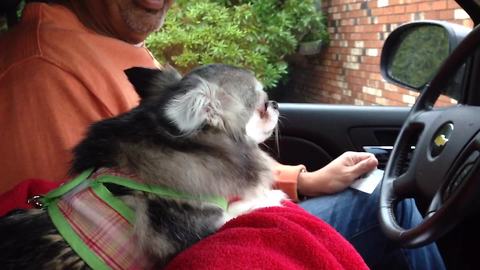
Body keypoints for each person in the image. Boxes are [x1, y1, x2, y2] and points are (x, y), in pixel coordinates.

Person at [0, 1, 445, 269]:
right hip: (198, 244)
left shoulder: (108, 41)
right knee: (392, 202)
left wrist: (301, 181)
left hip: (209, 217)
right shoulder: (41, 69)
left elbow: (192, 168)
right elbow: (88, 235)